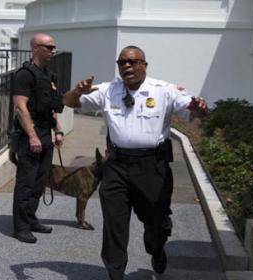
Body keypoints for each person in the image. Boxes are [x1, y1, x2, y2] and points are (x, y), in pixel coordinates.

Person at [63, 46, 207, 279]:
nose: (127, 67)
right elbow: (69, 102)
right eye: (122, 63)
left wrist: (198, 108)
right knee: (114, 223)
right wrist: (77, 91)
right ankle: (115, 272)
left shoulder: (164, 90)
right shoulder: (108, 90)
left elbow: (193, 110)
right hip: (117, 166)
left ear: (144, 65)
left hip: (152, 166)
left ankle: (157, 248)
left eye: (133, 62)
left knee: (156, 221)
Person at [11, 33, 64, 243]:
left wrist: (58, 129)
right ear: (35, 48)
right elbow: (19, 107)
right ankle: (21, 227)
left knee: (40, 181)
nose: (53, 50)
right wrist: (32, 137)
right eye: (48, 47)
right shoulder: (25, 74)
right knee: (26, 182)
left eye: (54, 47)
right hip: (29, 134)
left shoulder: (49, 76)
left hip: (45, 133)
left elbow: (51, 107)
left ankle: (31, 218)